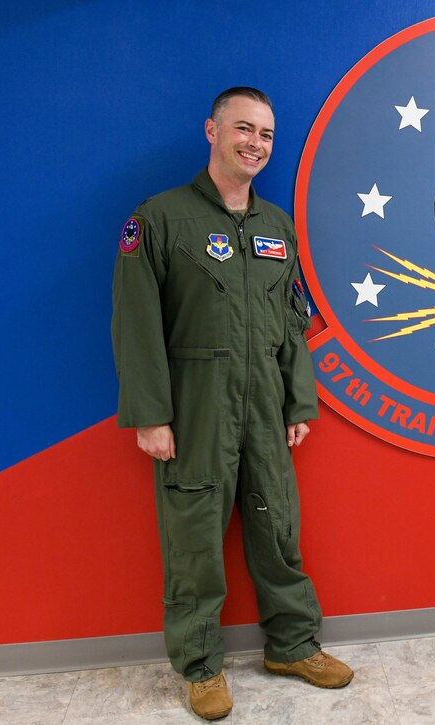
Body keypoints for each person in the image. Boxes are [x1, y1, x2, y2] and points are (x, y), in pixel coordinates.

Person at [112, 87, 352, 720]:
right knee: (193, 540)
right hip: (195, 409)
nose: (255, 143)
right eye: (243, 129)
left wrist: (300, 403)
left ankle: (293, 644)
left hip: (266, 407)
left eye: (267, 134)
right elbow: (135, 324)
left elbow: (293, 321)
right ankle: (199, 665)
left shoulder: (276, 227)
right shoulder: (158, 219)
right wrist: (151, 415)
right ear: (212, 131)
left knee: (279, 529)